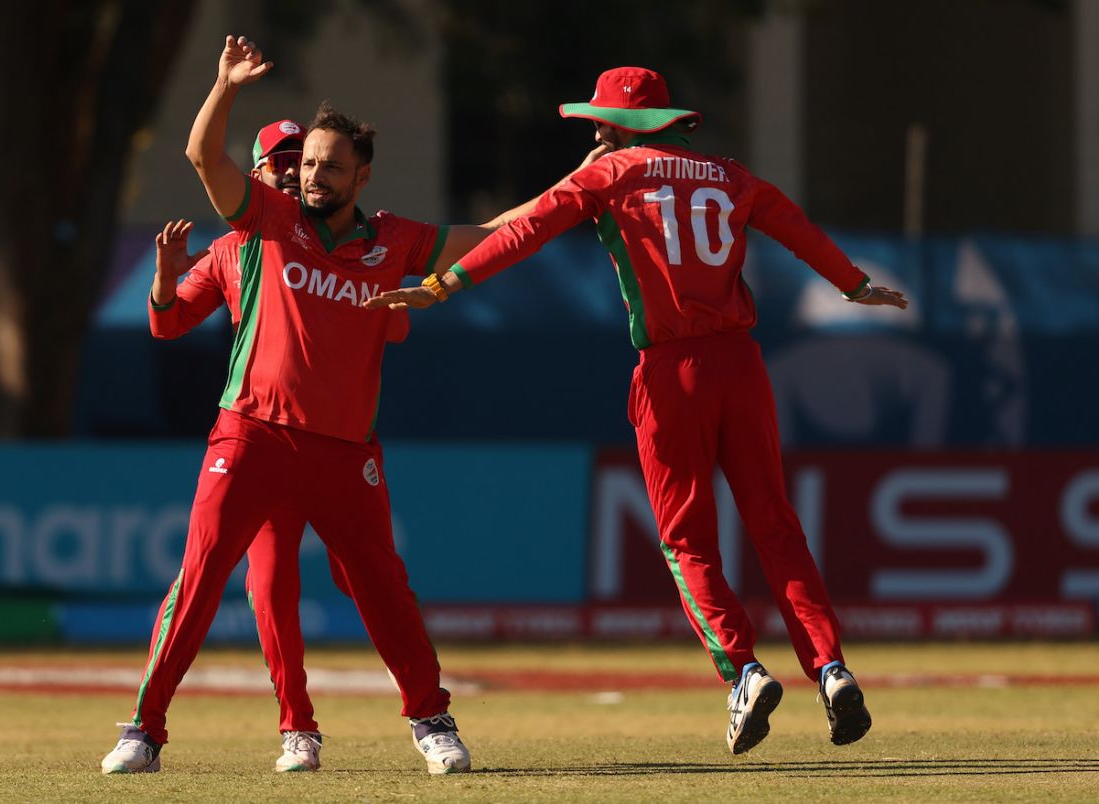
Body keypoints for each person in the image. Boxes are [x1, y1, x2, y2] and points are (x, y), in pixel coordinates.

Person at [364, 66, 908, 755]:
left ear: (626, 125)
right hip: (741, 363)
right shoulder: (732, 176)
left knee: (687, 540)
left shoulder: (609, 175)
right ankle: (830, 667)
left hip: (670, 369)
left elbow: (525, 232)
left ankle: (742, 670)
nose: (594, 131)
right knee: (776, 525)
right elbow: (796, 229)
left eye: (601, 120)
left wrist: (443, 285)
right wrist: (855, 286)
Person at [101, 35, 591, 776]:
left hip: (342, 450)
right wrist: (226, 85)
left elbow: (493, 237)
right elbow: (204, 159)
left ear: (361, 173)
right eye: (306, 165)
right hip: (252, 434)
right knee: (202, 578)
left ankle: (432, 721)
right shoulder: (265, 221)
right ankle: (145, 730)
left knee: (382, 588)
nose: (313, 175)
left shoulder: (392, 240)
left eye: (330, 165)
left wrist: (576, 189)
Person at [145, 119, 408, 772]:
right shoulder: (241, 245)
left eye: (303, 161)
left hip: (334, 443)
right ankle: (298, 727)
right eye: (280, 162)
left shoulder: (332, 240)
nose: (294, 173)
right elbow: (169, 322)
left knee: (360, 579)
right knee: (269, 588)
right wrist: (165, 279)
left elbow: (392, 326)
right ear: (257, 173)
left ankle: (421, 711)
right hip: (263, 439)